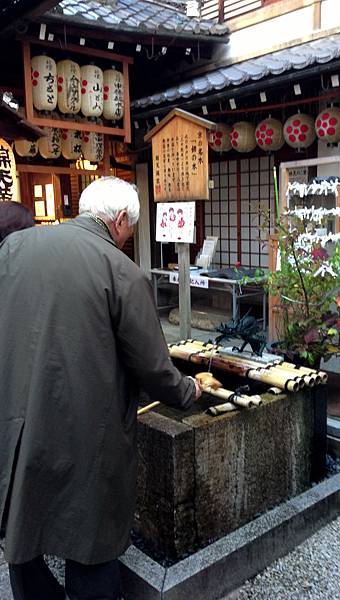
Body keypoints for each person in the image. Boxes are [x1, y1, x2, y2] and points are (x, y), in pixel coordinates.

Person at [0, 177, 202, 600]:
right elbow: (152, 366)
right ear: (122, 219)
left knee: (22, 515)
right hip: (86, 429)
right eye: (131, 228)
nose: (128, 238)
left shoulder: (15, 249)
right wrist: (188, 392)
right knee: (90, 534)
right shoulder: (121, 271)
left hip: (17, 412)